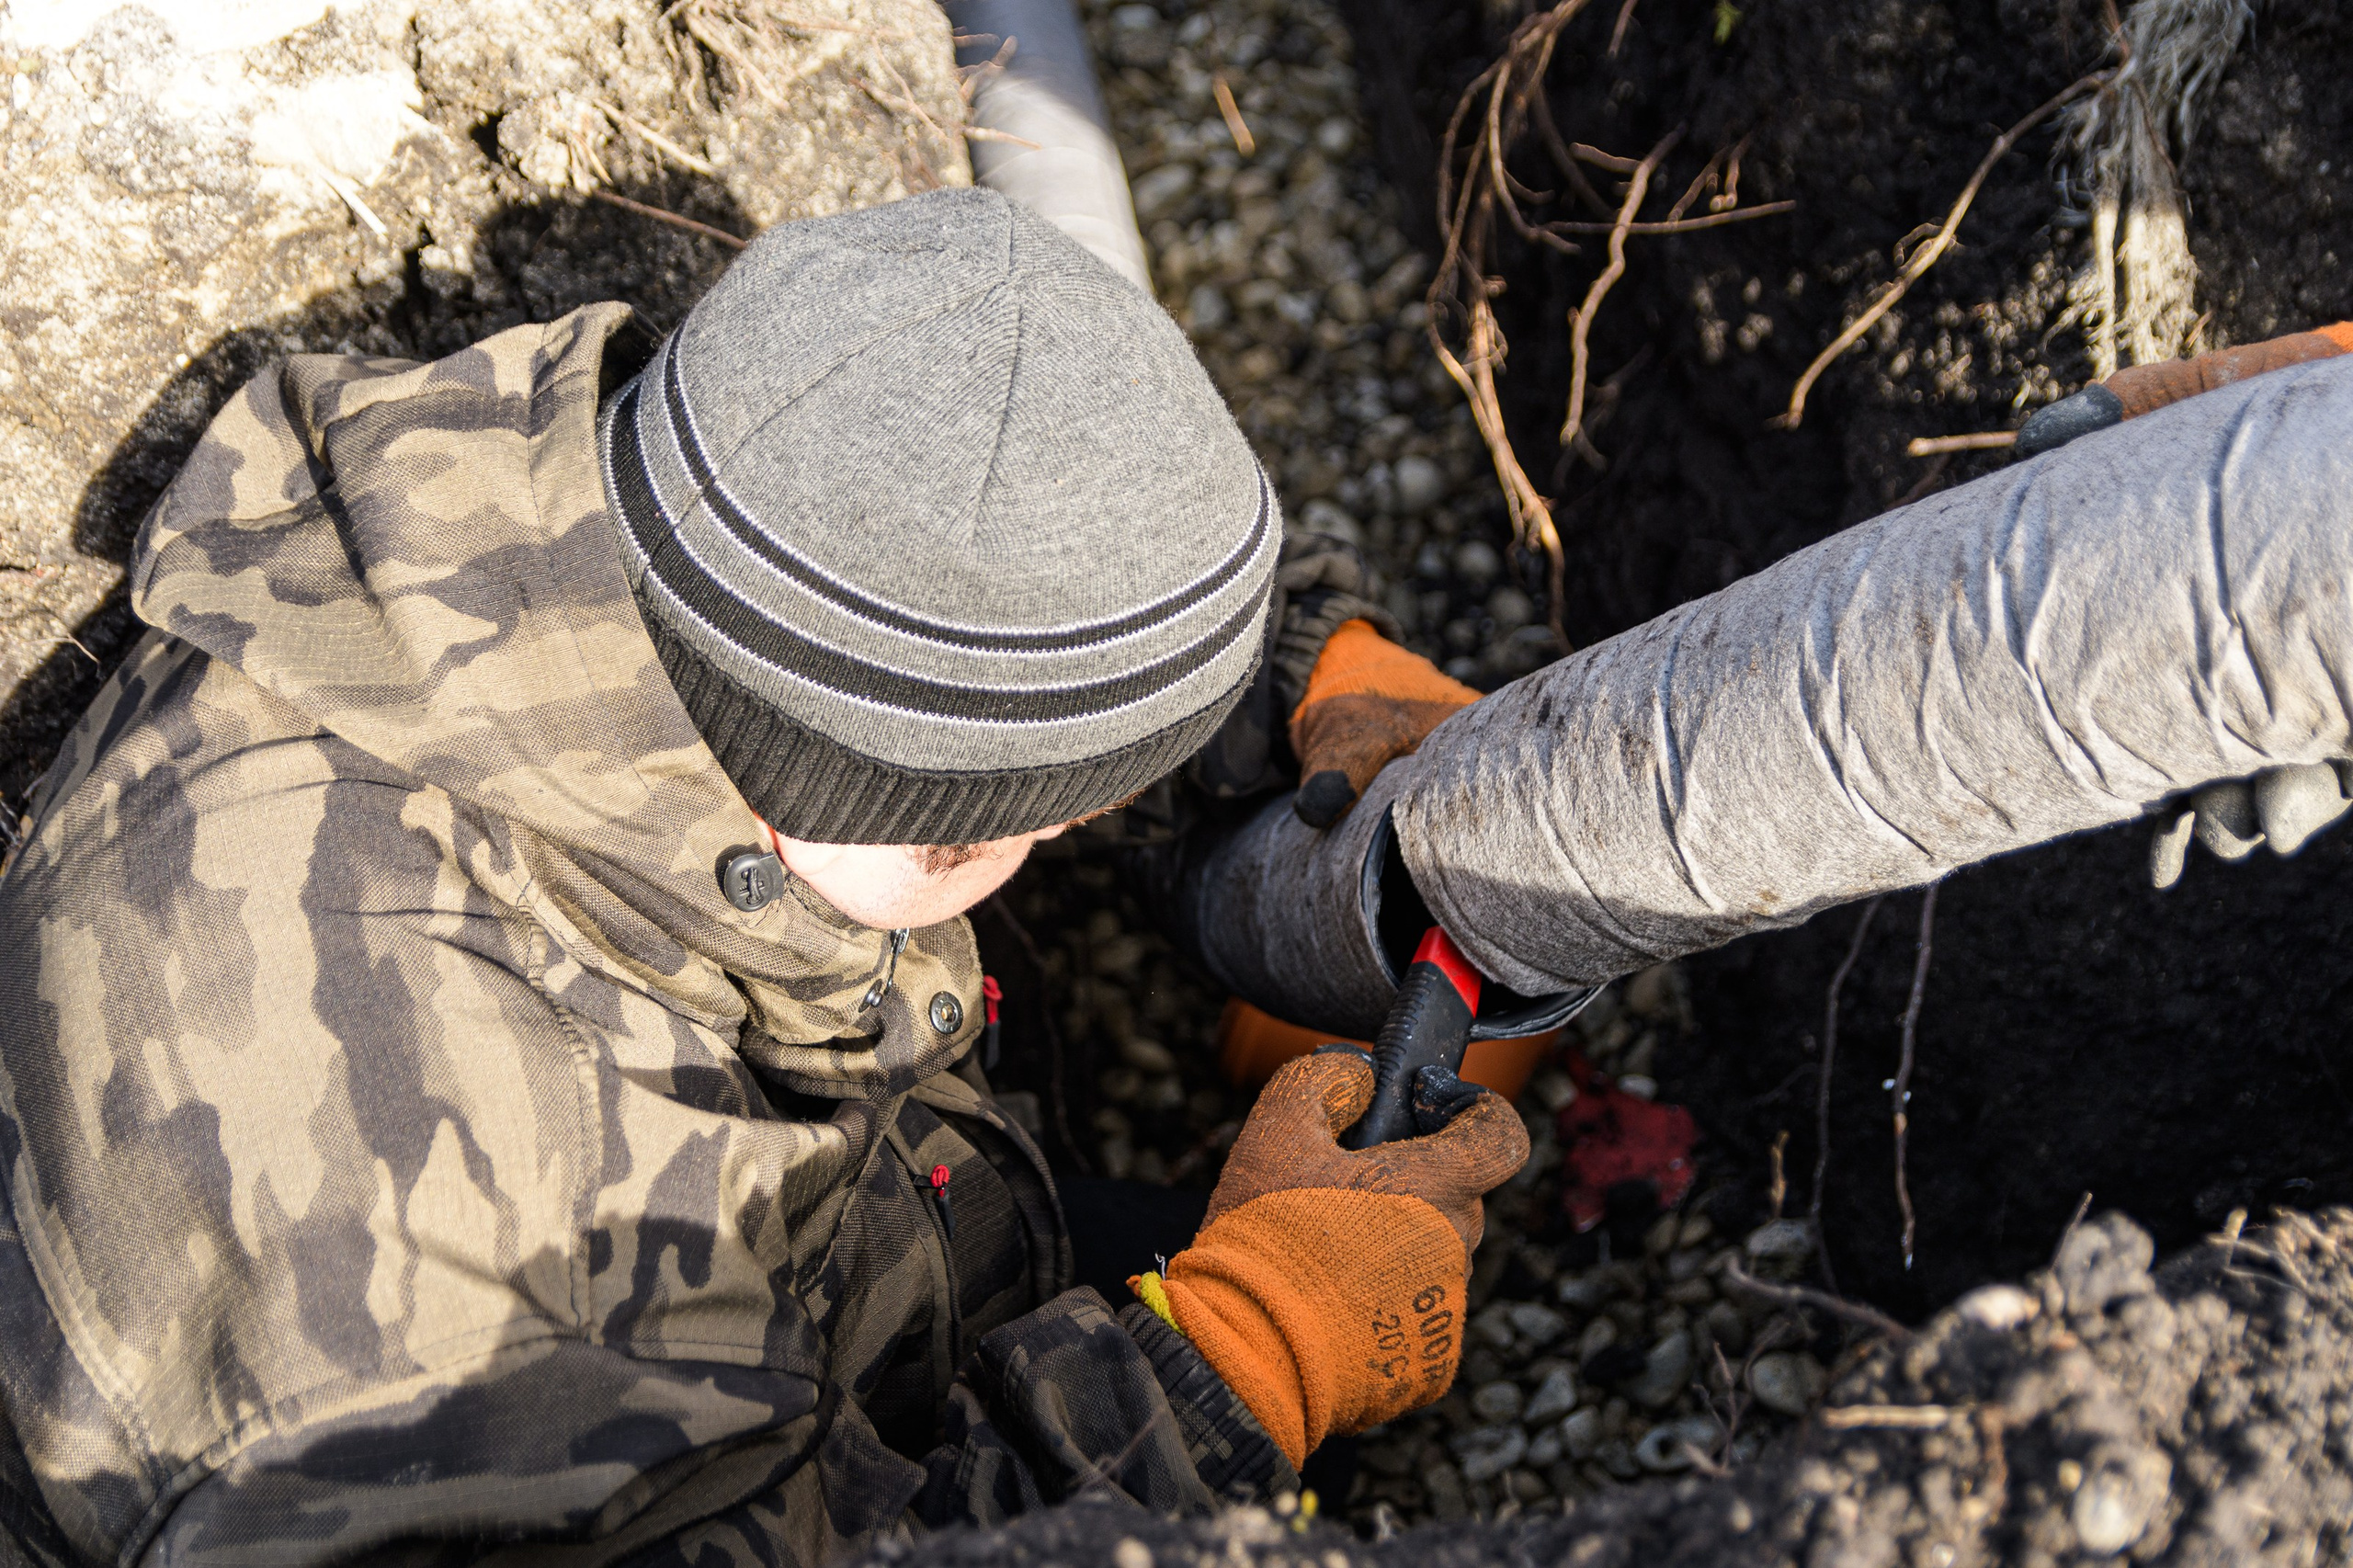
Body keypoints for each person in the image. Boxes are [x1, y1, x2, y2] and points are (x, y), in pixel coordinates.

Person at [0, 188, 1529, 1566]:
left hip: (857, 1258)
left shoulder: (560, 524)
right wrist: (1232, 1369)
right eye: (1057, 814)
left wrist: (1301, 692)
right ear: (892, 794)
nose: (1082, 832)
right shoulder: (432, 1269)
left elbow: (932, 555)